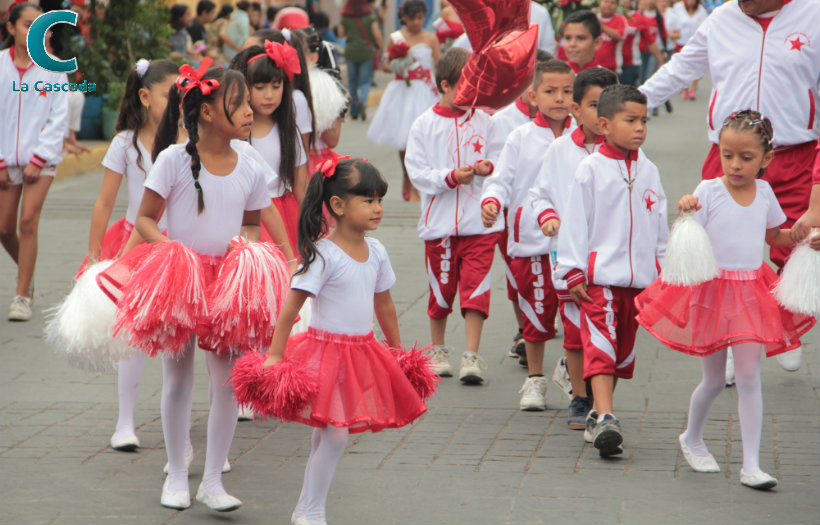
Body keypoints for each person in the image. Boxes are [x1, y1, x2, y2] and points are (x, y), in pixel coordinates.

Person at [635, 110, 816, 490]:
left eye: (746, 157)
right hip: (713, 294)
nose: (734, 164)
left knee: (750, 376)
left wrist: (803, 235)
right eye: (727, 154)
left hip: (752, 294)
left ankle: (751, 464)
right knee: (715, 380)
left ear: (766, 159)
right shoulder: (708, 190)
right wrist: (686, 211)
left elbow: (775, 238)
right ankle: (692, 436)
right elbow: (691, 236)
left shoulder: (765, 193)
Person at [638, 0, 820, 372]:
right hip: (730, 155)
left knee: (793, 245)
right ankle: (733, 340)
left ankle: (784, 326)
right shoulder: (721, 19)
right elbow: (678, 71)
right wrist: (627, 107)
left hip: (795, 153)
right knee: (722, 251)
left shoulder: (814, 15)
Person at [129, 63, 270, 511]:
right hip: (180, 278)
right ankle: (176, 471)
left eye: (249, 102)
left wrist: (244, 253)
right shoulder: (172, 159)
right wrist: (173, 253)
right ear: (207, 113)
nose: (250, 111)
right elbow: (146, 217)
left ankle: (212, 479)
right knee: (177, 377)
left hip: (229, 282)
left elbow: (252, 224)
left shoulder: (251, 162)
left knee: (227, 381)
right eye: (240, 103)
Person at [261, 157, 428, 524]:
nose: (378, 208)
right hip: (323, 353)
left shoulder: (378, 252)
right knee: (335, 436)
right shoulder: (324, 254)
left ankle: (306, 508)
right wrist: (274, 355)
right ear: (337, 205)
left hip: (361, 354)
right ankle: (313, 511)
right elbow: (291, 307)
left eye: (379, 200)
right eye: (367, 200)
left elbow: (384, 304)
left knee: (328, 435)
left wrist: (398, 352)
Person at [556, 84, 668, 457]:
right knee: (601, 348)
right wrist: (572, 270)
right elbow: (574, 222)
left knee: (621, 355)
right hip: (599, 280)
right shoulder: (590, 169)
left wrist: (664, 272)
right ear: (604, 124)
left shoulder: (650, 169)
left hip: (637, 283)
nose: (640, 128)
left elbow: (659, 225)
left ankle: (598, 416)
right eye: (630, 120)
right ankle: (605, 415)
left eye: (644, 121)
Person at [80, 59, 178, 451]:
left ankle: (180, 426)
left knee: (180, 340)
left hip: (178, 247)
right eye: (170, 94)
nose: (176, 102)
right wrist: (93, 255)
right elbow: (105, 201)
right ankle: (125, 422)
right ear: (145, 96)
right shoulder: (125, 142)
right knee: (131, 336)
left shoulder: (190, 139)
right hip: (135, 244)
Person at [481, 60, 575, 410]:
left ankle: (571, 370)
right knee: (537, 314)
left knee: (574, 314)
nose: (560, 98)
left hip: (573, 244)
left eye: (567, 91)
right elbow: (501, 179)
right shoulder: (520, 136)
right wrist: (492, 200)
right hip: (531, 243)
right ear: (533, 96)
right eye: (550, 91)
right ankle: (535, 379)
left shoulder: (583, 136)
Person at [530, 67, 620, 429]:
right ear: (575, 108)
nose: (602, 114)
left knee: (607, 332)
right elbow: (540, 194)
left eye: (610, 105)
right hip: (569, 255)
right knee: (573, 330)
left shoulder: (625, 153)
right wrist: (548, 217)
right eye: (594, 105)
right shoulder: (559, 150)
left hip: (610, 260)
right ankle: (581, 399)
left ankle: (604, 402)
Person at [404, 47, 499, 384]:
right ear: (445, 85)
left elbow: (500, 165)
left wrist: (487, 171)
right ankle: (438, 348)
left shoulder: (486, 122)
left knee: (476, 291)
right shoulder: (424, 125)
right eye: (465, 87)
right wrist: (451, 177)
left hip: (480, 226)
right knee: (442, 292)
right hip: (439, 227)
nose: (473, 95)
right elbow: (417, 172)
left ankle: (471, 356)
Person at [0, 2, 69, 322]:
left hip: (42, 162)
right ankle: (28, 275)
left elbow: (58, 119)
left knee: (27, 222)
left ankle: (21, 294)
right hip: (5, 161)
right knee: (3, 228)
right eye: (27, 24)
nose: (33, 32)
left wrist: (39, 158)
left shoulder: (55, 67)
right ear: (11, 27)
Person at [487, 49, 553, 365]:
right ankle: (523, 328)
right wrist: (492, 198)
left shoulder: (567, 128)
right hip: (514, 216)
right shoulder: (502, 122)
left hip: (557, 221)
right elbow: (496, 170)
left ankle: (539, 328)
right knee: (518, 278)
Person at [230, 41, 309, 259]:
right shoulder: (234, 133)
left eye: (276, 86)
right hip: (245, 217)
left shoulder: (289, 133)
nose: (269, 95)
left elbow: (301, 186)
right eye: (260, 87)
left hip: (284, 215)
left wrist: (314, 227)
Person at [367, 0, 441, 203]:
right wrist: (398, 64)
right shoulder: (395, 38)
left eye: (420, 18)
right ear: (404, 18)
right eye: (412, 18)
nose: (416, 22)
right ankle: (408, 181)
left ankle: (415, 183)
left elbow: (438, 64)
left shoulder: (431, 38)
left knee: (424, 139)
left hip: (425, 91)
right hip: (403, 91)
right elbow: (386, 65)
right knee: (404, 140)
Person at [338, 0, 383, 121]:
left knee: (352, 82)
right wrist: (382, 50)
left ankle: (353, 110)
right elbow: (377, 35)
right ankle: (362, 101)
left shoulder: (345, 17)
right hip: (366, 51)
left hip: (351, 51)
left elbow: (341, 33)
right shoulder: (370, 16)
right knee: (365, 81)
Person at [668, 0, 707, 99]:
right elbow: (672, 21)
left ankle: (692, 89)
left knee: (695, 66)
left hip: (696, 43)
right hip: (681, 42)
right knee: (683, 67)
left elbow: (705, 25)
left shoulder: (701, 10)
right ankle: (685, 88)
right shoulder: (678, 8)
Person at [594, 0, 627, 74]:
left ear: (617, 6)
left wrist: (600, 25)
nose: (608, 5)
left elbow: (619, 36)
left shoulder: (620, 19)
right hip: (593, 66)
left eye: (612, 3)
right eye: (606, 2)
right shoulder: (593, 18)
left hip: (612, 67)